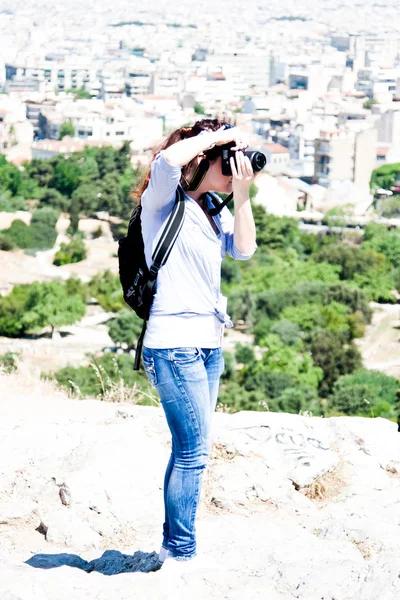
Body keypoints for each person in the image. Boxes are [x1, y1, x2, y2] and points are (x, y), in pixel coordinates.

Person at [138, 118, 257, 571]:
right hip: (172, 345)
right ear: (203, 158)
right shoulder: (162, 201)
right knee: (194, 452)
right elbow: (166, 160)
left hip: (208, 344)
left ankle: (172, 547)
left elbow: (243, 250)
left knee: (188, 450)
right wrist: (216, 137)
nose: (232, 165)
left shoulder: (212, 206)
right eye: (226, 160)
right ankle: (182, 555)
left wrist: (240, 195)